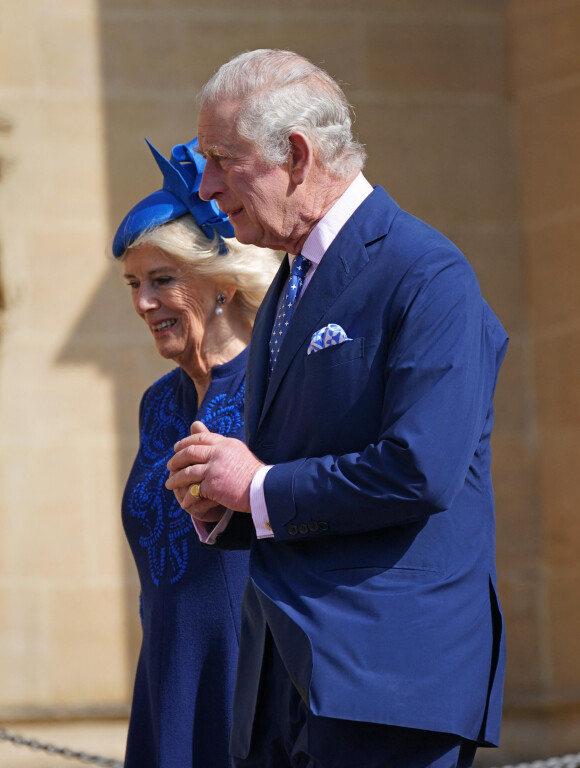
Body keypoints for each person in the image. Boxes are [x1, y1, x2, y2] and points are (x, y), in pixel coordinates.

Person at [166, 49, 508, 768]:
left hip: (386, 679)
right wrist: (224, 504)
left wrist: (256, 487)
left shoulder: (425, 271)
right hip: (287, 676)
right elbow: (297, 465)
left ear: (294, 154)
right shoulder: (294, 278)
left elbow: (420, 469)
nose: (208, 185)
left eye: (224, 160)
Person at [111, 136, 280, 768]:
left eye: (161, 281)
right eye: (134, 284)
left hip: (256, 686)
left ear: (222, 286)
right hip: (167, 683)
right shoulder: (158, 403)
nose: (143, 303)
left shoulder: (277, 385)